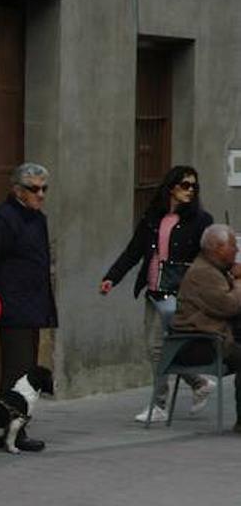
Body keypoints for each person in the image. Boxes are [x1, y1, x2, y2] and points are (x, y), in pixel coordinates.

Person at [101, 165, 216, 422]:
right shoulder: (154, 218)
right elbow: (134, 252)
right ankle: (198, 383)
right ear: (171, 187)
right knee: (159, 348)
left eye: (194, 187)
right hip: (154, 291)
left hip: (180, 294)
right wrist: (111, 277)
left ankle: (160, 405)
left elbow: (206, 257)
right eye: (185, 185)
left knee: (159, 348)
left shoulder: (201, 220)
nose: (190, 191)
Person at [0, 162, 57, 451]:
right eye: (35, 189)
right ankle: (9, 431)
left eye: (45, 188)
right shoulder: (4, 219)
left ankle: (11, 428)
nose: (41, 194)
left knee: (24, 370)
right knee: (18, 372)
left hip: (33, 305)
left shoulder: (37, 219)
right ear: (18, 190)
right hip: (14, 305)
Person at [171, 224, 241, 430]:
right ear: (217, 248)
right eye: (233, 246)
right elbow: (229, 306)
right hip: (197, 343)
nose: (236, 251)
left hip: (211, 336)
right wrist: (238, 281)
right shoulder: (204, 273)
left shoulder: (214, 270)